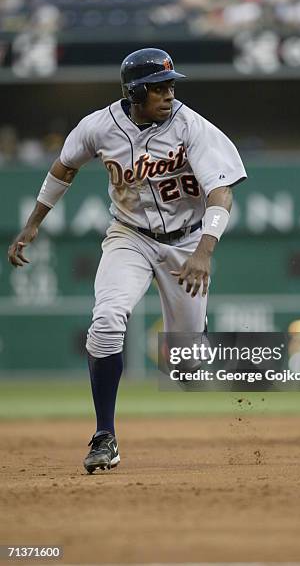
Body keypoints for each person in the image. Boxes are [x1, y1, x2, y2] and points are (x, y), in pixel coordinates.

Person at [7, 48, 247, 474]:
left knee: (187, 362)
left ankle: (195, 333)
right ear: (135, 92)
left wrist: (204, 250)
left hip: (188, 241)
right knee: (106, 323)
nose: (169, 95)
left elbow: (221, 192)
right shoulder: (98, 127)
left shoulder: (192, 127)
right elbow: (64, 168)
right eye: (159, 88)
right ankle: (104, 437)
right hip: (129, 236)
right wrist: (32, 224)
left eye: (171, 86)